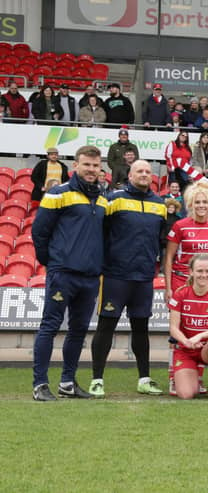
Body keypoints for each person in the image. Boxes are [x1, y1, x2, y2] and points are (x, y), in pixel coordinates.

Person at [31, 146, 108, 401]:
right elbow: (39, 232)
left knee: (78, 331)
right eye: (86, 165)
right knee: (49, 327)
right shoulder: (57, 193)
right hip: (63, 273)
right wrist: (53, 262)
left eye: (96, 166)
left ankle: (67, 383)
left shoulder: (103, 199)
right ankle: (40, 384)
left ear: (100, 169)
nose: (91, 170)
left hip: (89, 277)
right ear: (75, 165)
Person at [89, 160, 166, 398]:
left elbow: (161, 241)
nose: (144, 175)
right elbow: (97, 232)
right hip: (115, 275)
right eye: (139, 171)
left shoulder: (159, 204)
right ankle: (97, 380)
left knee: (141, 328)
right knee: (106, 326)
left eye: (147, 171)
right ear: (130, 175)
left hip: (143, 277)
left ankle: (144, 379)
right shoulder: (114, 199)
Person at [168, 254, 208, 401]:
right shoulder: (180, 293)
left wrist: (200, 336)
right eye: (200, 271)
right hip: (186, 350)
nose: (204, 275)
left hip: (205, 348)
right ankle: (179, 377)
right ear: (191, 272)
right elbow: (173, 328)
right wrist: (186, 341)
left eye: (207, 271)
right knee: (187, 394)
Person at [164, 183, 208, 300]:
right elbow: (169, 257)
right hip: (181, 280)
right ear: (190, 205)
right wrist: (168, 288)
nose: (201, 205)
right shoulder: (180, 225)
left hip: (205, 282)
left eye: (205, 202)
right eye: (197, 202)